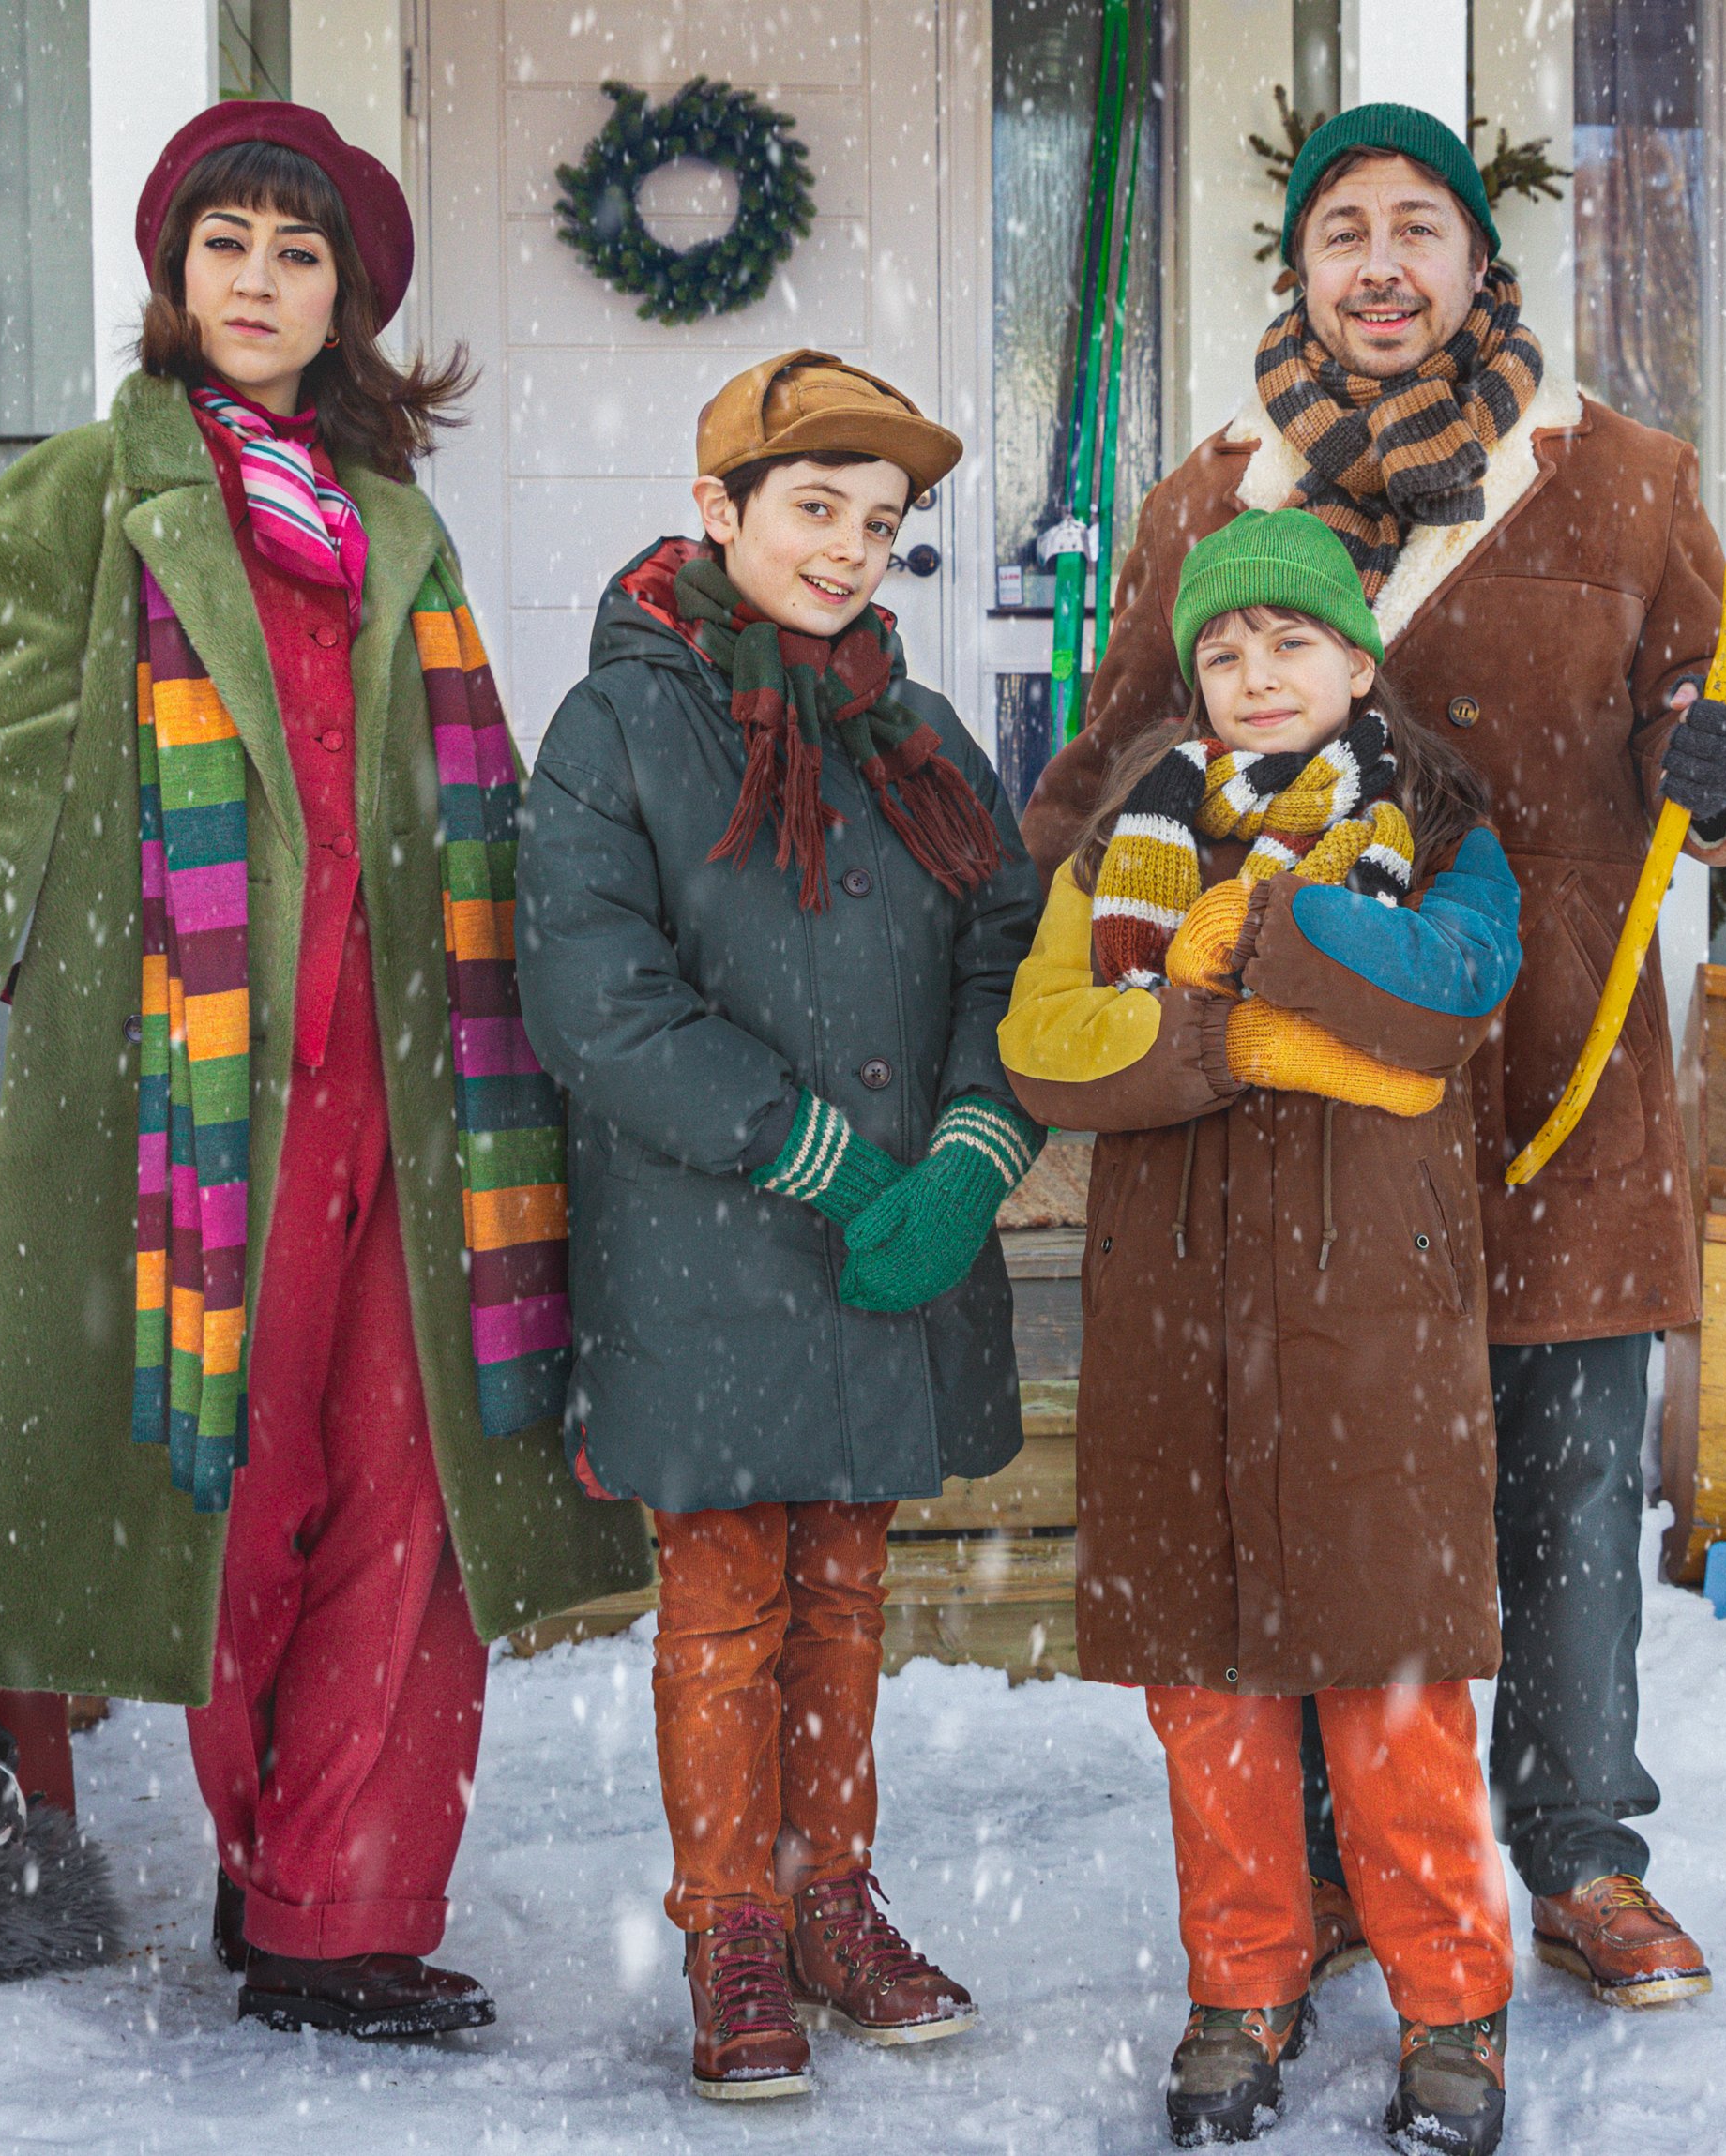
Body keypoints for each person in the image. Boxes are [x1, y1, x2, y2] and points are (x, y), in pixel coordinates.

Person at [0, 100, 646, 2044]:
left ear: (346, 299)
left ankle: (335, 1916)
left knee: (409, 1492)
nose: (257, 283)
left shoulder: (396, 523)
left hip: (421, 1084)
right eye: (227, 247)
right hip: (191, 1106)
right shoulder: (85, 501)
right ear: (174, 277)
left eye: (297, 254)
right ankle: (269, 1853)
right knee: (229, 1496)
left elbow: (484, 807)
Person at [1016, 104, 1726, 2010]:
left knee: (1557, 1490)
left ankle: (1580, 1854)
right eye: (1340, 233)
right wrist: (1046, 930)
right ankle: (1323, 1865)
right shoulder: (1213, 502)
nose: (1378, 264)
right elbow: (1116, 757)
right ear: (1293, 273)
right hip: (1294, 1119)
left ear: (1476, 262)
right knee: (1309, 1486)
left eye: (1416, 229)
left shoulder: (1615, 483)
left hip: (1554, 1089)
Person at [514, 351, 1046, 2103]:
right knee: (726, 1605)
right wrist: (811, 1150)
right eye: (813, 509)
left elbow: (1006, 944)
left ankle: (835, 1898)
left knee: (846, 1590)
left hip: (896, 1238)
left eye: (880, 526)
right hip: (713, 1250)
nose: (845, 553)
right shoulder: (618, 729)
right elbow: (596, 996)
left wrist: (970, 1145)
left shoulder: (917, 727)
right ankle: (733, 1918)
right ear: (718, 508)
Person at [1004, 509, 1528, 2154]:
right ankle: (1244, 1980)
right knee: (1207, 1692)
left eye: (1288, 642)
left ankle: (1453, 2001)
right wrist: (1238, 1042)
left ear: (1357, 659)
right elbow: (1049, 1043)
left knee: (1394, 1686)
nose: (1253, 674)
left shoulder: (1438, 820)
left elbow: (1446, 998)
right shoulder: (1127, 836)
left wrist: (1271, 935)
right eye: (1222, 651)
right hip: (1171, 1314)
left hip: (1375, 1314)